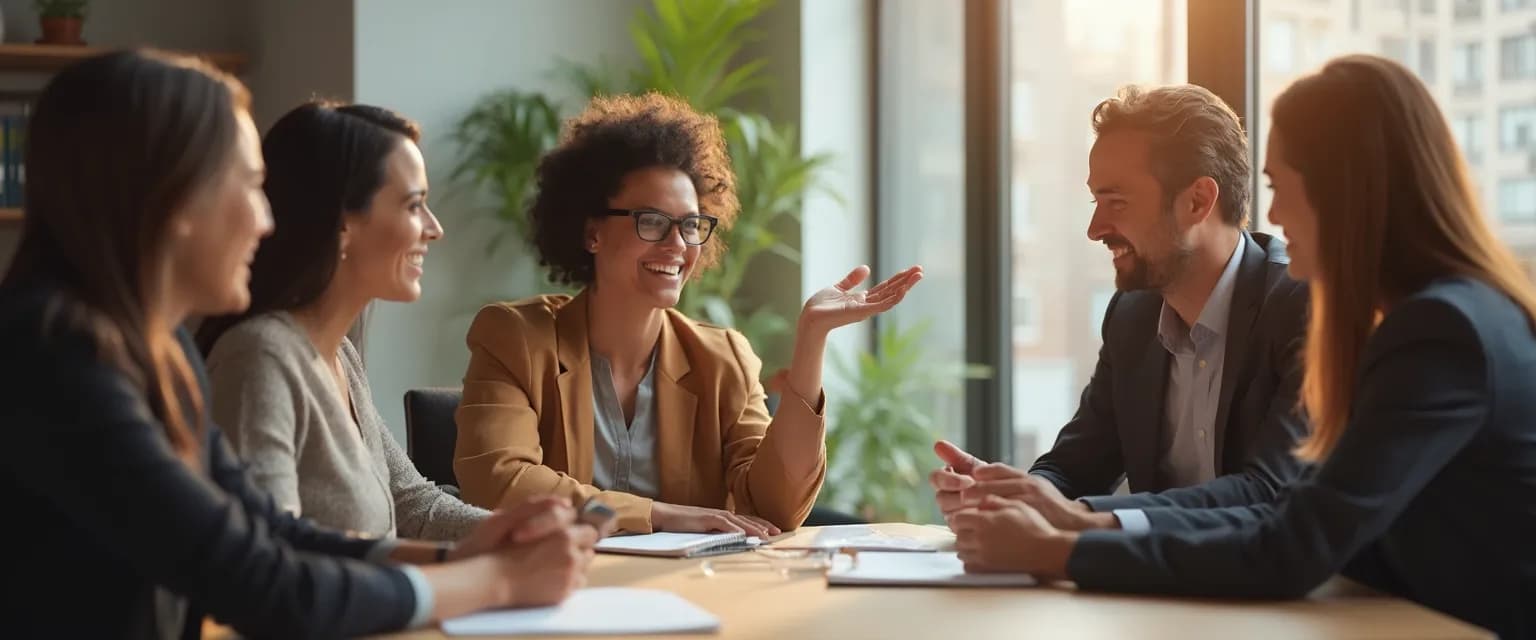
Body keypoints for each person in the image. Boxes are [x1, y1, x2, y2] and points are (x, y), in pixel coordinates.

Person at [0, 51, 599, 639]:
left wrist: (460, 557)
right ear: (172, 197)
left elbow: (268, 533)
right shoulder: (56, 356)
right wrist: (495, 581)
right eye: (250, 186)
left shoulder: (161, 352)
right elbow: (260, 581)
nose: (266, 220)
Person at [951, 55, 1536, 639]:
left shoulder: (1437, 332)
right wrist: (1049, 510)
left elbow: (1290, 537)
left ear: (1346, 192)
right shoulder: (1447, 316)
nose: (1272, 213)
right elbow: (1292, 517)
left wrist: (1062, 546)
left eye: (1281, 186)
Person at [452, 93, 923, 535]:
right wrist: (659, 515)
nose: (678, 244)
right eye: (652, 221)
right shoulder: (515, 338)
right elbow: (500, 483)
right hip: (555, 598)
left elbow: (777, 507)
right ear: (592, 231)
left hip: (692, 600)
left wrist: (812, 340)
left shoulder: (723, 358)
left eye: (692, 224)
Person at [931, 83, 1309, 531]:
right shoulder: (1132, 315)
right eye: (1096, 202)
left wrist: (1086, 518)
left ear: (1197, 201)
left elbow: (1270, 491)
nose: (1095, 229)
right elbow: (1075, 465)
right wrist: (1014, 497)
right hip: (1154, 590)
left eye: (1117, 202)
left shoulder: (1298, 306)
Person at [197, 101, 487, 542]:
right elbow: (274, 557)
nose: (434, 228)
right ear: (343, 224)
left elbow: (413, 504)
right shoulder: (259, 358)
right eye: (414, 206)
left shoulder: (339, 353)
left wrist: (515, 529)